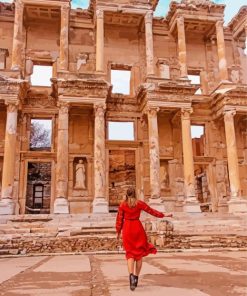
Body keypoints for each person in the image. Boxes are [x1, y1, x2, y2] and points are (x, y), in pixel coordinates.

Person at [115, 187, 173, 291]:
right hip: (137, 228)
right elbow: (151, 211)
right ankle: (136, 278)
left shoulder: (123, 205)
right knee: (139, 255)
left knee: (130, 254)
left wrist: (118, 232)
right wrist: (164, 215)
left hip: (127, 229)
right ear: (135, 194)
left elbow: (119, 219)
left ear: (126, 194)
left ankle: (131, 277)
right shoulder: (139, 203)